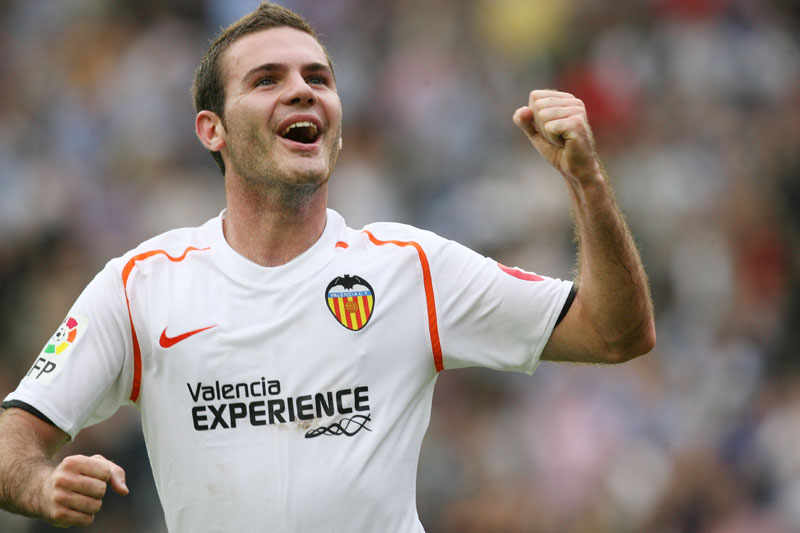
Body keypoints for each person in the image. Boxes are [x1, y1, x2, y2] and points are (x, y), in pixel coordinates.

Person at [0, 2, 655, 531]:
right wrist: (41, 484)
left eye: (318, 78)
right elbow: (13, 440)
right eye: (267, 80)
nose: (302, 91)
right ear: (211, 129)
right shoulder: (140, 285)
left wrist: (588, 184)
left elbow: (615, 333)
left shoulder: (411, 269)